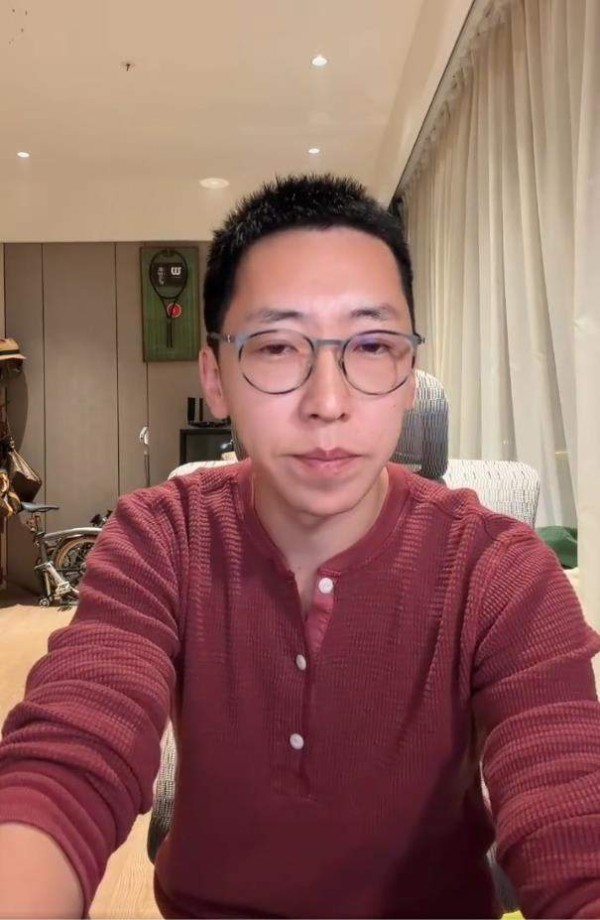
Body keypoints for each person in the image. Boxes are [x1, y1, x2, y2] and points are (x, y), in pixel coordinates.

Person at [0, 174, 599, 920]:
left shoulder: (499, 568)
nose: (328, 402)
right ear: (216, 377)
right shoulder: (162, 537)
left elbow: (571, 805)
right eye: (279, 346)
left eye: (372, 345)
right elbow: (73, 748)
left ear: (409, 375)